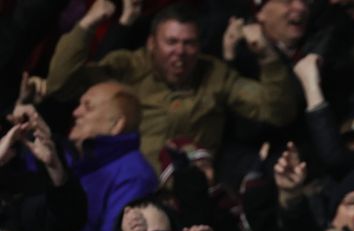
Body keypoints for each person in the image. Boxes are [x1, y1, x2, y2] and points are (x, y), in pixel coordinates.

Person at [45, 2, 298, 162]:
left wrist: (267, 56)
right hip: (125, 184)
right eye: (171, 42)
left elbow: (277, 110)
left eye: (189, 44)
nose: (180, 51)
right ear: (151, 44)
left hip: (188, 196)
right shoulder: (128, 67)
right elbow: (62, 85)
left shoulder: (215, 74)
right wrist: (87, 25)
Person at [48, 81, 157, 231]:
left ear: (116, 124)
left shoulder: (134, 176)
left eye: (88, 107)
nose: (76, 113)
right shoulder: (76, 159)